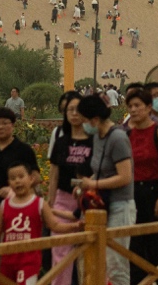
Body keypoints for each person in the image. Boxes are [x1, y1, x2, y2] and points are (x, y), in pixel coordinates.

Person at [72, 94, 134, 285]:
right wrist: (86, 185)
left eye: (84, 121)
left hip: (119, 204)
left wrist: (94, 185)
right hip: (101, 205)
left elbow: (125, 176)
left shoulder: (118, 138)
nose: (83, 125)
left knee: (117, 264)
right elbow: (102, 171)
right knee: (97, 260)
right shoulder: (98, 136)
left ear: (95, 119)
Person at [0, 162, 75, 285]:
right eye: (13, 178)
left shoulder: (39, 204)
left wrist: (75, 226)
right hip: (7, 261)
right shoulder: (4, 206)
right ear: (9, 183)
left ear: (31, 179)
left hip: (29, 261)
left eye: (21, 176)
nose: (17, 181)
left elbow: (55, 225)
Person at [124, 89, 158, 283]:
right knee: (135, 249)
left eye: (138, 105)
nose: (134, 110)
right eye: (130, 106)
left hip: (156, 191)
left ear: (148, 108)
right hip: (134, 194)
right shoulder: (127, 135)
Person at [46, 92, 90, 285]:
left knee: (90, 252)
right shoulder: (61, 141)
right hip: (62, 201)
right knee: (61, 254)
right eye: (70, 110)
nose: (74, 114)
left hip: (90, 201)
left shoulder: (94, 140)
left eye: (78, 110)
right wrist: (49, 200)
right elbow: (54, 172)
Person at [0, 108, 40, 230]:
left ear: (13, 125)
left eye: (5, 123)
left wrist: (14, 188)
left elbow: (36, 177)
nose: (0, 127)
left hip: (20, 208)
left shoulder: (24, 150)